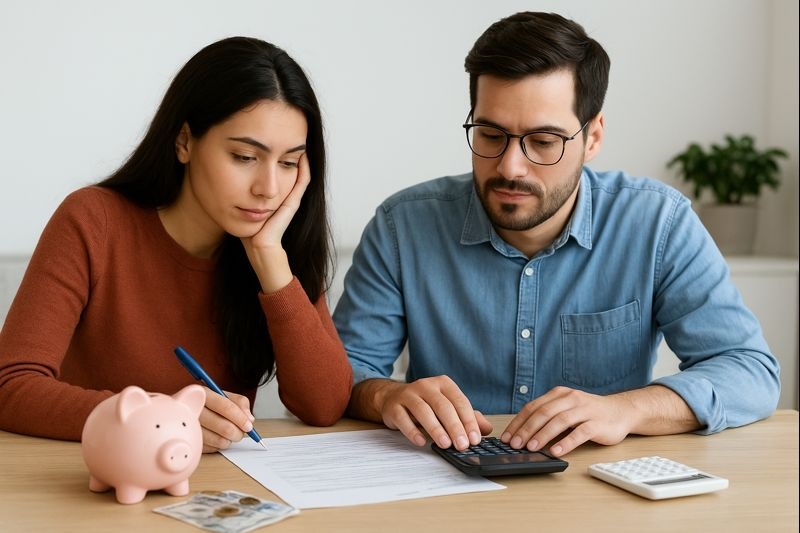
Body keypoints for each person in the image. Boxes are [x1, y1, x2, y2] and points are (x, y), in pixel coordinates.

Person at [333, 12, 780, 457]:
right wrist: (385, 396)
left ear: (593, 137)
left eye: (543, 141)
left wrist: (625, 411)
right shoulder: (402, 227)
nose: (510, 166)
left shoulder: (658, 224)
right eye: (490, 135)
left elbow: (749, 371)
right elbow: (344, 373)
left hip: (599, 492)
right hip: (444, 488)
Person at [0, 36, 352, 452]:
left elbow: (324, 405)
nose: (269, 188)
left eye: (290, 163)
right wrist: (158, 417)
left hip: (212, 490)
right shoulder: (93, 219)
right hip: (92, 486)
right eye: (244, 157)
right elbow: (11, 387)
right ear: (185, 141)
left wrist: (269, 259)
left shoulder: (275, 248)